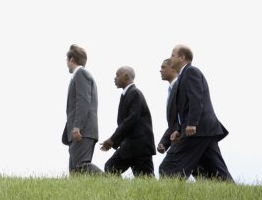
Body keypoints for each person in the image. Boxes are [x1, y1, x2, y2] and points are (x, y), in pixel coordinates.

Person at [159, 45, 233, 181]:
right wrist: (179, 130)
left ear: (182, 57)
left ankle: (168, 191)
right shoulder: (183, 76)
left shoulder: (190, 71)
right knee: (217, 172)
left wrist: (192, 123)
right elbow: (185, 109)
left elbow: (196, 99)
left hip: (197, 130)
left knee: (168, 168)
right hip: (205, 130)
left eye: (173, 55)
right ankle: (231, 190)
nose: (170, 58)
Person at [100, 66, 156, 177]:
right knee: (111, 167)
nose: (115, 78)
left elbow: (131, 120)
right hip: (129, 147)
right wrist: (114, 141)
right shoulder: (127, 94)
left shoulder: (134, 93)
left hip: (140, 148)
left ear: (126, 77)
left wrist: (112, 140)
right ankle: (120, 189)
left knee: (146, 179)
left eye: (117, 75)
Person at [62, 44, 103, 175]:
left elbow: (83, 102)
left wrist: (77, 127)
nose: (66, 63)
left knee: (81, 166)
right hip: (80, 131)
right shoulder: (78, 75)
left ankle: (110, 180)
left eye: (66, 60)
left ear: (71, 59)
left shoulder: (81, 74)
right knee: (75, 172)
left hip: (82, 131)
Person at [157, 58, 179, 154]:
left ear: (173, 68)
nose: (160, 70)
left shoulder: (180, 86)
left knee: (169, 163)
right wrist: (164, 143)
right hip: (183, 135)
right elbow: (174, 121)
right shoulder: (171, 89)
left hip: (190, 135)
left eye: (163, 67)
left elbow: (183, 117)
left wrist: (178, 131)